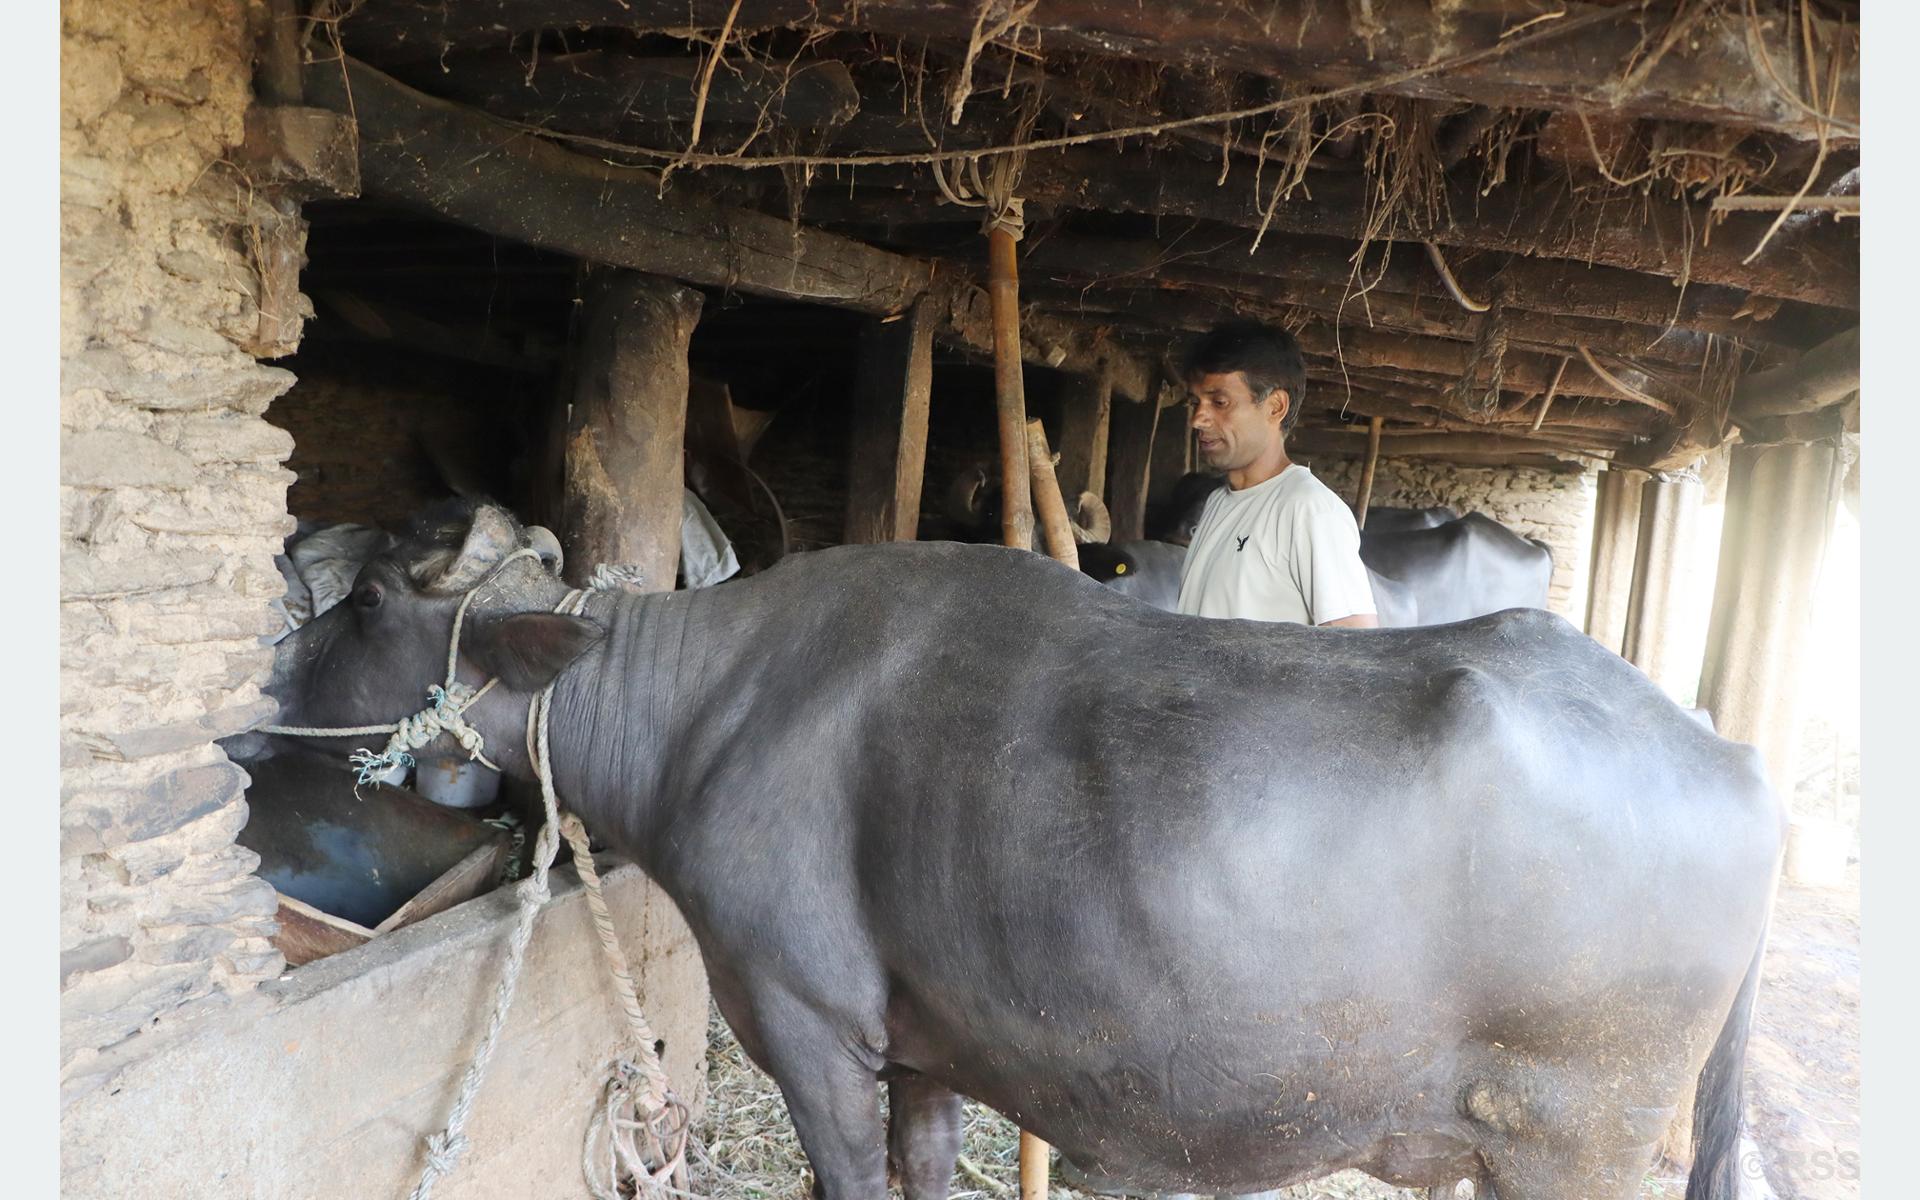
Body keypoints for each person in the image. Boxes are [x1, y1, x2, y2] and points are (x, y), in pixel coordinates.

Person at [1174, 321, 1378, 629]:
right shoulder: (1217, 502)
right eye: (1196, 403)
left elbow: (1357, 648)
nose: (1198, 419)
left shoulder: (1308, 509)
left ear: (1275, 406)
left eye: (1219, 402)